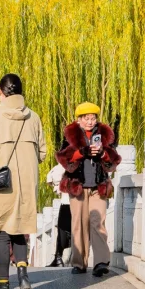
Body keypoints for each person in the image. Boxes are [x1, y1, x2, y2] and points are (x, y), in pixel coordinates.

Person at [0, 73, 48, 289]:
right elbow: (43, 154)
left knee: (1, 234)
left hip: (1, 183)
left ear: (0, 91)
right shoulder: (34, 117)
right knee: (20, 232)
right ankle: (25, 279)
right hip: (27, 183)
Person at [56, 102, 120, 277]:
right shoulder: (70, 134)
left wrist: (103, 154)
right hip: (77, 185)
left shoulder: (105, 134)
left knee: (97, 222)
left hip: (98, 186)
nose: (90, 122)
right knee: (79, 224)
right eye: (86, 118)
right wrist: (81, 152)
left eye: (93, 118)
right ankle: (79, 263)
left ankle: (100, 262)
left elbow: (114, 159)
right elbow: (63, 157)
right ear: (79, 119)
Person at [45, 163, 72, 267]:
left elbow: (54, 175)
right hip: (72, 196)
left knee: (63, 227)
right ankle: (58, 257)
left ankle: (59, 257)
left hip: (70, 198)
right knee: (63, 227)